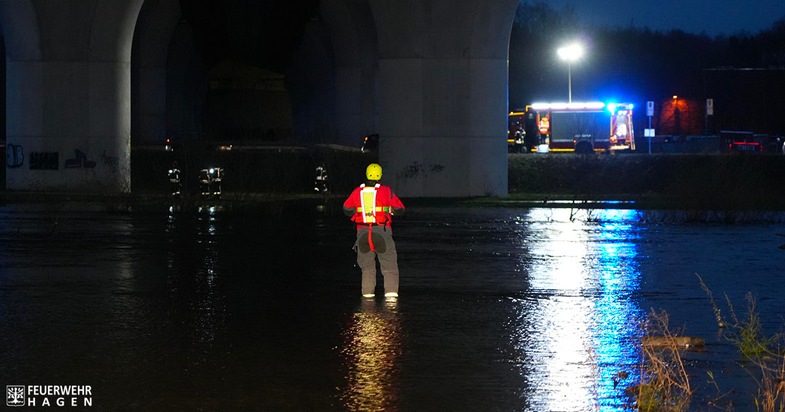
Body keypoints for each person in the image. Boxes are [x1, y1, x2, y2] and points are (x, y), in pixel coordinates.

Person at [343, 163, 405, 299]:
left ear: (366, 175)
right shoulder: (386, 191)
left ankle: (367, 303)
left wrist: (357, 212)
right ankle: (391, 304)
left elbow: (347, 209)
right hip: (382, 232)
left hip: (363, 235)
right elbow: (400, 209)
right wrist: (390, 210)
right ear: (380, 176)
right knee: (389, 268)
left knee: (367, 269)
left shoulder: (357, 191)